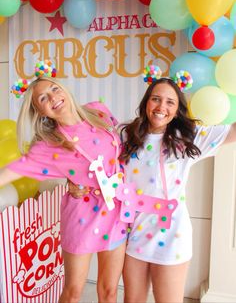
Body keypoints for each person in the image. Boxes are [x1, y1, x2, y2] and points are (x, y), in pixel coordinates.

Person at [0, 67, 127, 303]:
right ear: (39, 111)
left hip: (115, 211)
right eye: (43, 98)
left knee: (110, 290)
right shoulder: (48, 145)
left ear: (64, 90)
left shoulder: (99, 112)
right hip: (81, 216)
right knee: (72, 292)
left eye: (54, 89)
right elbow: (10, 172)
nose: (53, 98)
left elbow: (120, 151)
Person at [119, 77, 236, 303]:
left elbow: (232, 131)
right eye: (156, 99)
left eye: (170, 102)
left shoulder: (187, 137)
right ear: (146, 102)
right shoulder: (126, 136)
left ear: (177, 109)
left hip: (172, 235)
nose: (162, 107)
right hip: (134, 233)